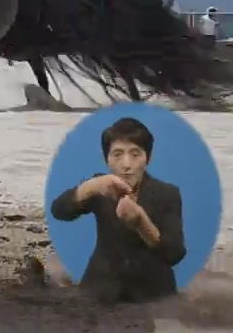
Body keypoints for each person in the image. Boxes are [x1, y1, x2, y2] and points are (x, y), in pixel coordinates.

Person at [50, 117, 186, 302]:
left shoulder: (168, 193)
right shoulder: (99, 186)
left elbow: (174, 254)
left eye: (135, 154)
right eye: (117, 154)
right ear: (107, 159)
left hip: (152, 295)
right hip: (100, 290)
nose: (126, 164)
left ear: (148, 158)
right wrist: (90, 187)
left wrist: (142, 224)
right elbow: (59, 211)